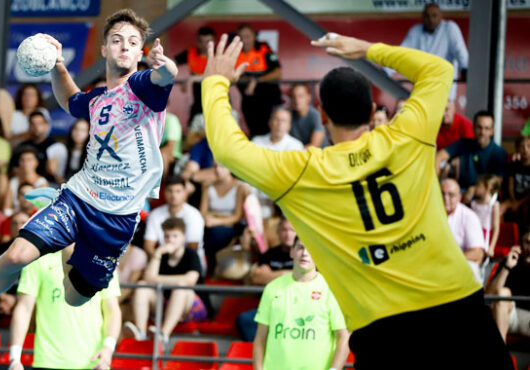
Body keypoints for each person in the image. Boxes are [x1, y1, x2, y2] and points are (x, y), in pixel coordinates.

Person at [202, 33, 511, 367]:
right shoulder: (408, 135)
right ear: (374, 110)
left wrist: (215, 81)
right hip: (458, 308)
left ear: (322, 115)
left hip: (384, 331)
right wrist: (369, 49)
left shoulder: (301, 172)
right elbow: (438, 69)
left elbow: (227, 148)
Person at [0, 8, 177, 335]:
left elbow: (165, 76)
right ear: (104, 49)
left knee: (74, 298)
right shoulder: (99, 99)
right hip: (80, 197)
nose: (125, 46)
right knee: (17, 254)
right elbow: (71, 100)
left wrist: (166, 64)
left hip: (117, 219)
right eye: (117, 40)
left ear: (141, 52)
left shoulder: (144, 86)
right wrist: (57, 65)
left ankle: (66, 242)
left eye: (133, 41)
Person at [8, 245, 121, 370]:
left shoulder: (103, 260)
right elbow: (24, 308)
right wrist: (15, 358)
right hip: (48, 362)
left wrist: (108, 347)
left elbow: (113, 310)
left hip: (94, 363)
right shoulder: (39, 258)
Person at [253, 237, 349, 370]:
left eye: (311, 249)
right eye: (300, 247)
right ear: (292, 252)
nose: (305, 253)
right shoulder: (272, 288)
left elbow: (343, 337)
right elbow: (260, 339)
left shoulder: (332, 289)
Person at [127, 218, 206, 343]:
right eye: (167, 236)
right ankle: (141, 331)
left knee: (181, 288)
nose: (171, 240)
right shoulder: (161, 255)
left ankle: (163, 334)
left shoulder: (191, 254)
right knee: (142, 286)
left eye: (175, 236)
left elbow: (190, 280)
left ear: (183, 237)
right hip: (166, 303)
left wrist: (157, 280)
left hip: (190, 305)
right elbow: (148, 279)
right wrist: (158, 253)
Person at [236, 217, 296, 341]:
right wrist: (288, 274)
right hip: (270, 305)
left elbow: (305, 277)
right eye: (284, 230)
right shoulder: (270, 254)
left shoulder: (304, 253)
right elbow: (257, 278)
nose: (288, 234)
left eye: (291, 230)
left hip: (295, 305)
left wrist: (271, 275)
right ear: (278, 231)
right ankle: (262, 353)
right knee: (243, 320)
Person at [397, 3, 468, 99]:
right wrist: (386, 71)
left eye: (434, 15)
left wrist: (465, 69)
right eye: (427, 16)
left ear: (441, 16)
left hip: (444, 86)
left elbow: (460, 52)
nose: (430, 19)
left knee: (444, 111)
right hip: (422, 86)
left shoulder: (450, 29)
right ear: (422, 17)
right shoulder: (416, 31)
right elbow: (402, 53)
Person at [436, 111, 507, 199]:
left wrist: (474, 189)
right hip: (459, 194)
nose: (482, 132)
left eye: (487, 128)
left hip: (484, 198)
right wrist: (435, 184)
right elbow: (439, 156)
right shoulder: (463, 143)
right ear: (473, 128)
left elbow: (497, 182)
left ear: (492, 131)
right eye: (479, 127)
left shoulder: (499, 153)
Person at [144, 176, 205, 269]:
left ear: (185, 193)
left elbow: (192, 248)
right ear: (164, 192)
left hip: (190, 263)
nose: (173, 195)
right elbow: (148, 246)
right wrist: (158, 258)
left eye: (178, 191)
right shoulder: (155, 214)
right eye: (170, 191)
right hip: (162, 260)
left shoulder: (194, 215)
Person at [200, 162, 250, 275]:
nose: (218, 170)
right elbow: (202, 212)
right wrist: (209, 220)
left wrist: (216, 220)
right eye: (215, 166)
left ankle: (213, 267)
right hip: (211, 223)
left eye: (222, 166)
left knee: (215, 232)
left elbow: (237, 217)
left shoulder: (240, 187)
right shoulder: (207, 185)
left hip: (232, 226)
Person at [235, 24, 282, 137]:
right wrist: (246, 79)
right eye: (241, 37)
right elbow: (230, 76)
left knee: (272, 133)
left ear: (254, 36)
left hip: (269, 100)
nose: (245, 40)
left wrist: (256, 80)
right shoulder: (235, 52)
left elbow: (278, 73)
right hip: (249, 103)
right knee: (255, 135)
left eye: (248, 36)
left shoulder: (264, 48)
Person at [442, 177, 487, 283]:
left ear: (459, 197)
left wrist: (450, 260)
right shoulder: (431, 215)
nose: (445, 198)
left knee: (470, 267)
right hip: (435, 265)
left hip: (459, 265)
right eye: (442, 194)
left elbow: (477, 253)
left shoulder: (469, 217)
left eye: (451, 195)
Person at [488, 236, 530, 342]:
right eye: (527, 243)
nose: (529, 248)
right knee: (503, 292)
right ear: (520, 245)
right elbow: (489, 295)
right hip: (511, 315)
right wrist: (507, 267)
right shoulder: (511, 260)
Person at [174, 26, 215, 123]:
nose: (204, 45)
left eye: (208, 41)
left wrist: (192, 79)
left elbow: (214, 75)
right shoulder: (191, 52)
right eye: (201, 41)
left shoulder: (219, 54)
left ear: (214, 41)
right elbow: (172, 62)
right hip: (198, 103)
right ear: (197, 41)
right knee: (192, 132)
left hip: (216, 101)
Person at [11, 111, 66, 182]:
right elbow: (14, 170)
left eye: (40, 124)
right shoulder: (22, 146)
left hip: (49, 184)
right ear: (29, 126)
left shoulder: (56, 147)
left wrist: (52, 172)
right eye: (33, 124)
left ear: (46, 125)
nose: (36, 127)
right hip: (25, 183)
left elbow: (59, 177)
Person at [5, 147, 49, 214]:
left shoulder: (42, 183)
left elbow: (43, 209)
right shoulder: (13, 181)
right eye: (22, 160)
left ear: (36, 162)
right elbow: (6, 208)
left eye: (29, 160)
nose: (25, 163)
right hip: (15, 218)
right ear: (19, 163)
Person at [470, 174, 501, 258]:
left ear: (487, 188)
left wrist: (491, 247)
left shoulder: (494, 205)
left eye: (479, 185)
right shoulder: (474, 203)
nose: (476, 187)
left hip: (486, 238)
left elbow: (496, 228)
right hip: (474, 235)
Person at [504, 136, 530, 234]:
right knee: (500, 208)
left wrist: (518, 203)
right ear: (517, 148)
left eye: (528, 146)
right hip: (513, 198)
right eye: (522, 147)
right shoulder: (513, 165)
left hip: (526, 199)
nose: (525, 150)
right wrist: (513, 200)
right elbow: (511, 185)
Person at [290, 83, 325, 148]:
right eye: (293, 96)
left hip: (318, 155)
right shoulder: (288, 115)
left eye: (300, 96)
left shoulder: (316, 116)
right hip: (298, 154)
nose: (297, 100)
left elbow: (314, 146)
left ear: (308, 98)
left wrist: (291, 152)